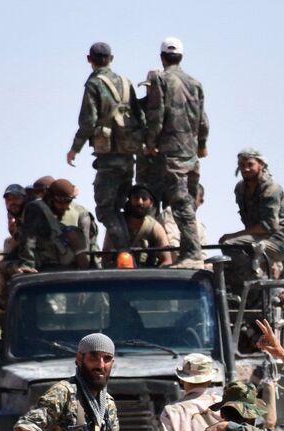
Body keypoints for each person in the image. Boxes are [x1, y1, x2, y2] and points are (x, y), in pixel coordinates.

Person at [141, 37, 208, 263]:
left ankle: (191, 254)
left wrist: (150, 144)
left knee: (181, 206)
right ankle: (186, 252)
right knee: (187, 205)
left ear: (162, 57)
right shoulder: (195, 83)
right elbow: (203, 120)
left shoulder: (161, 79)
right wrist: (202, 145)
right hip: (190, 155)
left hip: (172, 156)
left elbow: (156, 115)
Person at [66, 41, 136, 252]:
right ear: (111, 59)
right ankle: (128, 254)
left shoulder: (94, 84)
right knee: (120, 208)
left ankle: (126, 255)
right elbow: (139, 116)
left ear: (90, 60)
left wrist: (74, 149)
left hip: (108, 161)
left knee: (106, 210)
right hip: (128, 158)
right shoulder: (126, 82)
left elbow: (88, 122)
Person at [219, 148, 284, 285]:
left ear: (261, 165)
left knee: (230, 244)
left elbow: (268, 226)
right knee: (228, 252)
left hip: (280, 240)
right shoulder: (240, 189)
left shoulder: (271, 189)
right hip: (259, 237)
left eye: (250, 164)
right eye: (242, 165)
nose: (246, 169)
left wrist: (234, 235)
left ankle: (256, 280)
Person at [51, 179, 98, 263]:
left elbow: (87, 247)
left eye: (67, 201)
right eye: (60, 202)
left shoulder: (80, 212)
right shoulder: (41, 212)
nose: (65, 206)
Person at [121, 185, 173, 261]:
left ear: (151, 202)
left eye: (144, 199)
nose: (140, 202)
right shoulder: (119, 224)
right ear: (130, 200)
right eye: (136, 198)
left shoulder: (154, 227)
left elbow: (167, 260)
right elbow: (106, 257)